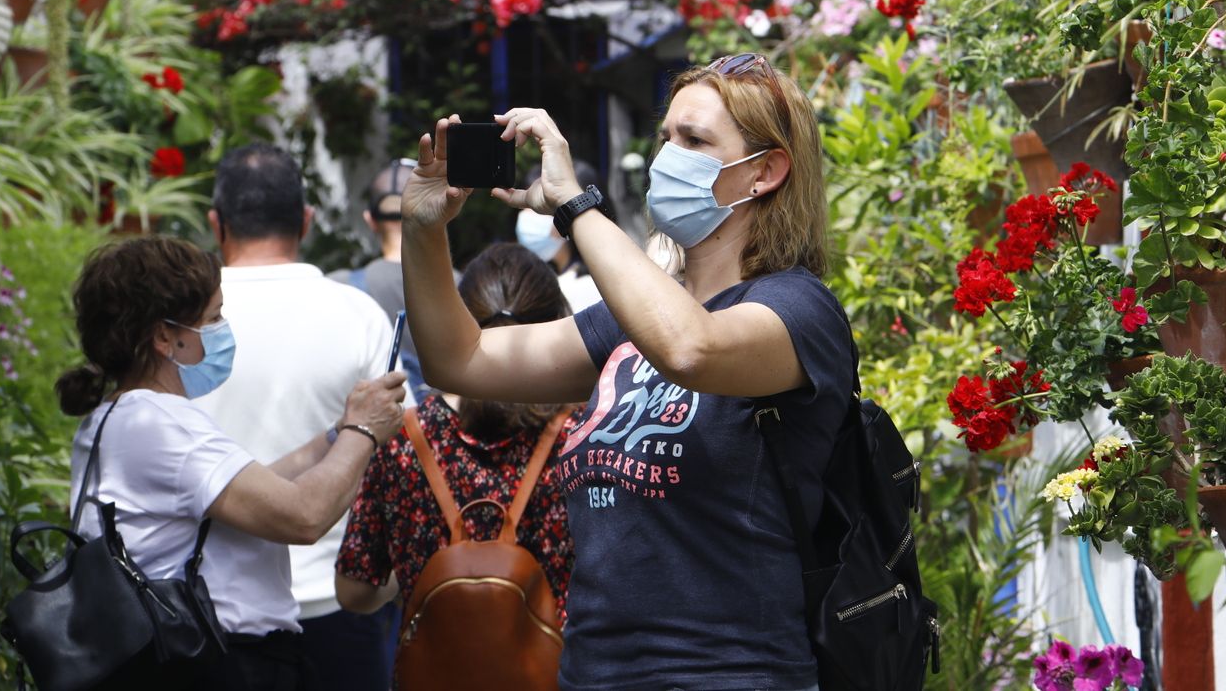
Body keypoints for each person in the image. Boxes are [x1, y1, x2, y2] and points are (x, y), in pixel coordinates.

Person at [400, 52, 858, 690]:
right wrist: (423, 231)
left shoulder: (797, 309)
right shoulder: (629, 321)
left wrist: (575, 206)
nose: (670, 156)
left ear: (766, 172)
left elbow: (690, 348)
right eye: (666, 137)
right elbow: (462, 359)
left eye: (694, 140)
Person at [55, 235, 406, 690]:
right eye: (212, 317)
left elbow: (253, 491)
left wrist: (339, 434)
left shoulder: (119, 417)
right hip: (215, 664)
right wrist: (364, 432)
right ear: (165, 337)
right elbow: (303, 516)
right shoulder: (158, 422)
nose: (222, 329)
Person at [193, 144, 404, 691]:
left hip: (207, 609)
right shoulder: (359, 316)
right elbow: (393, 456)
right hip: (339, 600)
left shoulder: (183, 326)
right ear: (307, 221)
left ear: (217, 224)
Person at [334, 242, 581, 626]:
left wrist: (418, 576)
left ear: (457, 323)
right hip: (559, 672)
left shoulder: (404, 438)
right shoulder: (582, 435)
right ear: (559, 322)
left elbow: (354, 590)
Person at [330, 158, 434, 400]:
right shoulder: (464, 285)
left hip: (375, 432)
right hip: (440, 433)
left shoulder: (341, 287)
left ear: (370, 220)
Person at [514, 161, 603, 313]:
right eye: (526, 203)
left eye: (541, 208)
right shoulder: (536, 282)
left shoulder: (588, 290)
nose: (527, 215)